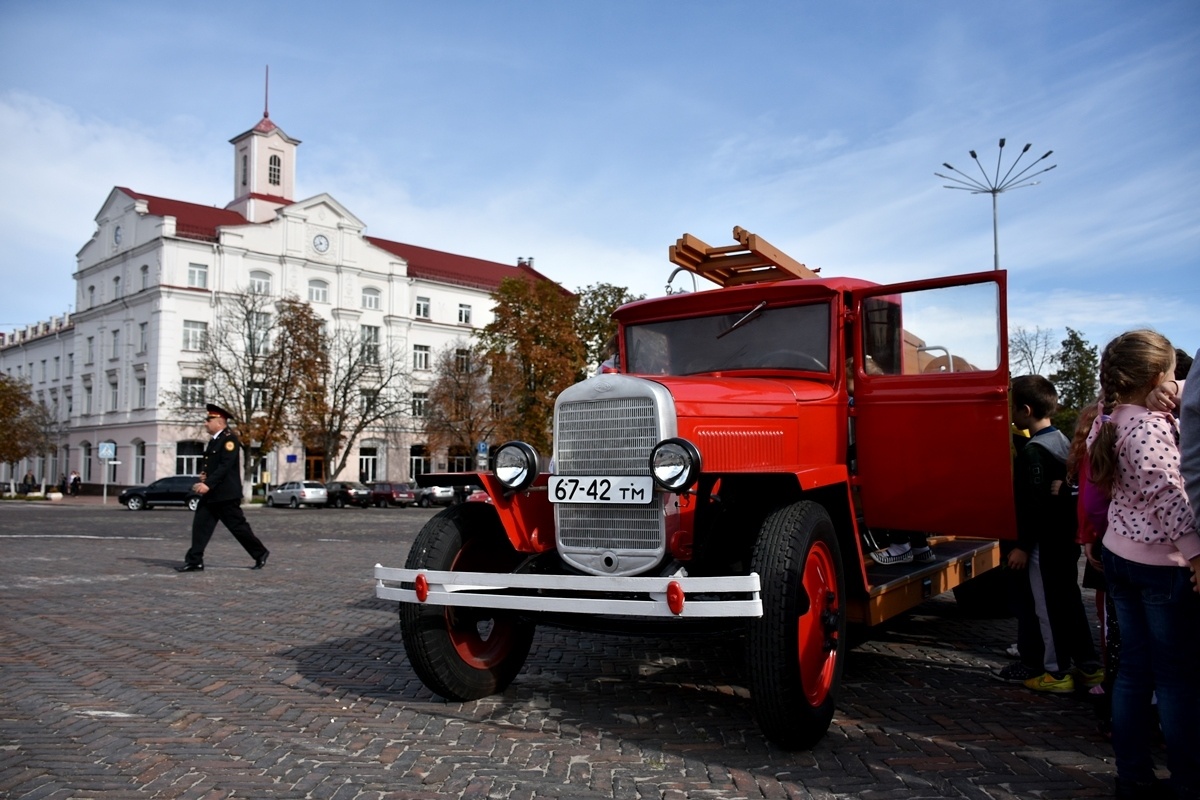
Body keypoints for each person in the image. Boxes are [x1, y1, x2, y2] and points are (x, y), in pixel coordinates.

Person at [1088, 331, 1199, 800]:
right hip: (1161, 565)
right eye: (1172, 374)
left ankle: (1132, 776)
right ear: (1156, 377)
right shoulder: (1150, 428)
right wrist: (1195, 553)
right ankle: (1189, 782)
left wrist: (1170, 395)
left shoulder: (1109, 417)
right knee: (1175, 678)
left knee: (1133, 671)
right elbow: (1168, 497)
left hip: (1120, 555)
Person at [1005, 375, 1102, 693]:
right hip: (1065, 540)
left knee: (1046, 606)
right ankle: (1088, 664)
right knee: (1069, 601)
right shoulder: (1063, 441)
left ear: (1025, 410)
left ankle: (1056, 671)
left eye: (1011, 407)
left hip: (1044, 545)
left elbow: (1034, 506)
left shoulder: (1034, 451)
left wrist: (1023, 546)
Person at [175, 403, 269, 572]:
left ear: (219, 422)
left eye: (208, 420)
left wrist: (207, 484)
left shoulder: (229, 439)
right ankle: (195, 561)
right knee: (200, 526)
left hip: (226, 494)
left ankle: (260, 553)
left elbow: (225, 466)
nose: (205, 423)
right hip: (213, 494)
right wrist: (205, 475)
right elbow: (214, 464)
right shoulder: (215, 440)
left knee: (238, 527)